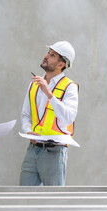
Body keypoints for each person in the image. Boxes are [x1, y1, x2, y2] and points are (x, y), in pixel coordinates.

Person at [20, 41, 78, 186]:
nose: (46, 56)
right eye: (48, 53)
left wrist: (49, 94)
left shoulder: (69, 87)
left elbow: (69, 117)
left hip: (55, 152)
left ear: (61, 64)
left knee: (54, 201)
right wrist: (28, 131)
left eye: (52, 55)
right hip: (32, 150)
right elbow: (26, 115)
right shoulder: (34, 84)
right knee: (24, 199)